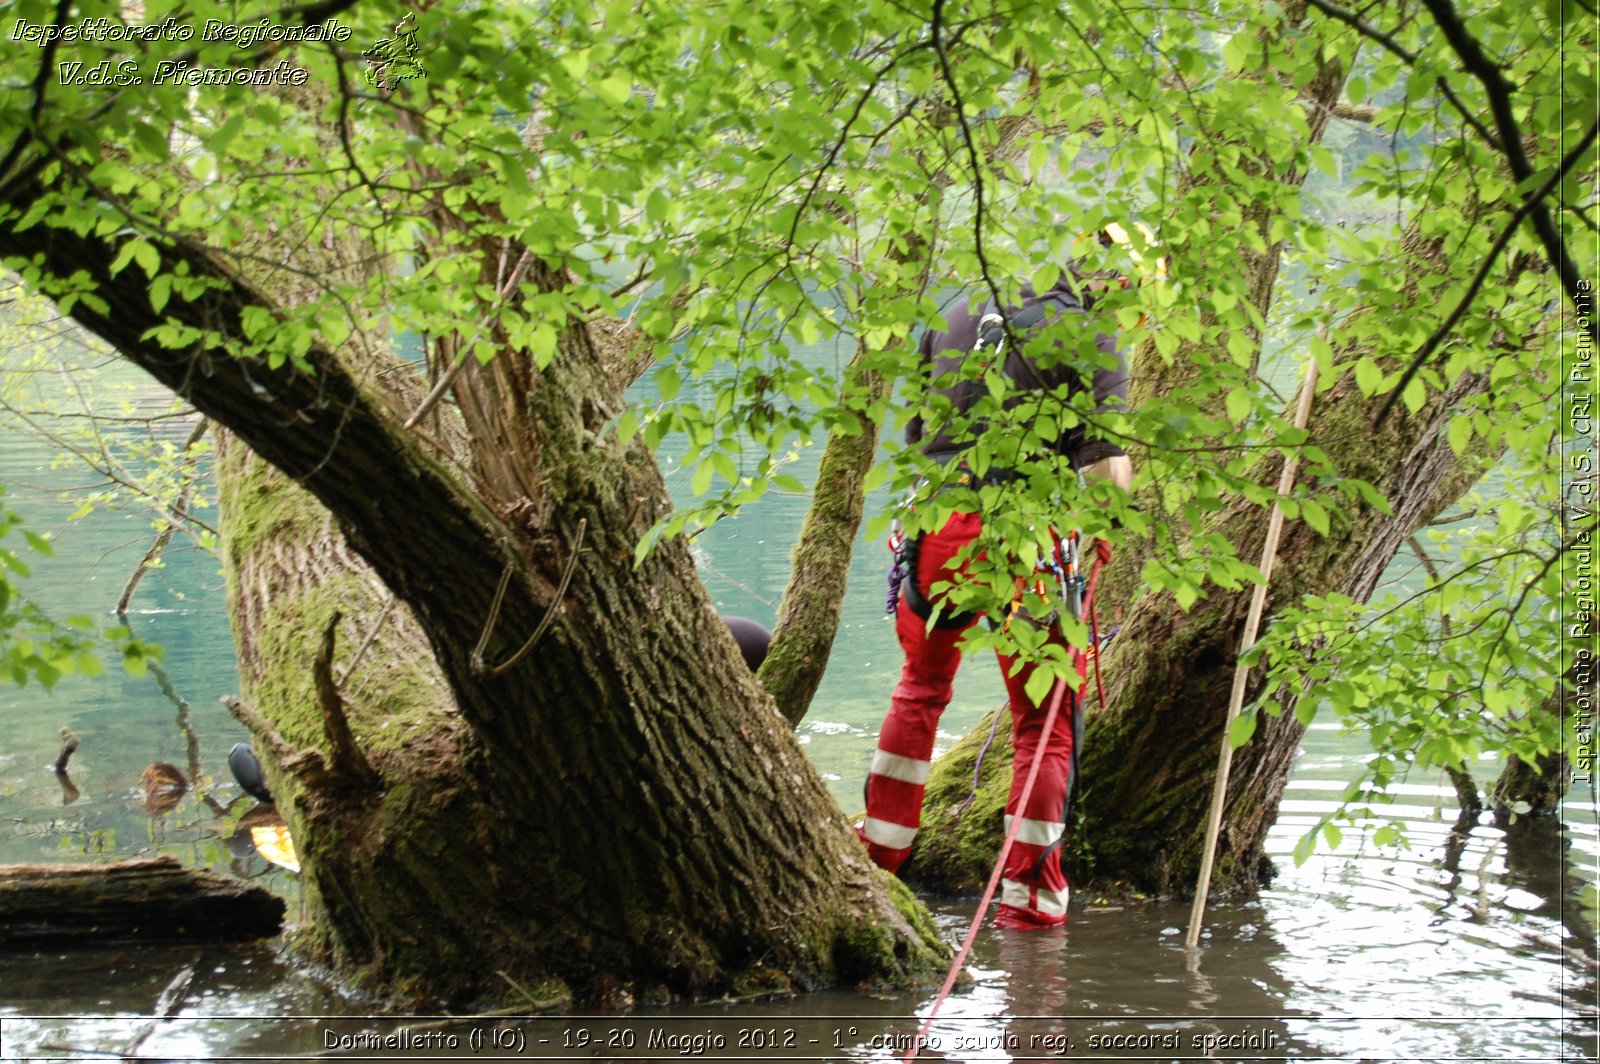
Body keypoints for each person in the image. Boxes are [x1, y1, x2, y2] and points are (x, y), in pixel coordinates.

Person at [860, 241, 1137, 930]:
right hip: (1029, 536)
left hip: (939, 525)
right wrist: (1105, 529)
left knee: (920, 686)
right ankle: (1031, 900)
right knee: (1042, 723)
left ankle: (877, 860)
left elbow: (923, 433)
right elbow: (1107, 465)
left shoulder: (951, 313)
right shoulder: (1088, 332)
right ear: (1104, 284)